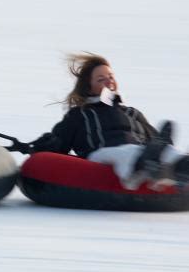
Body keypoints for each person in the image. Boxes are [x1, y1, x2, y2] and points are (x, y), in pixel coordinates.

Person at [10, 52, 189, 189]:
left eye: (110, 76)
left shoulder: (132, 113)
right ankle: (147, 165)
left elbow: (156, 143)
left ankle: (177, 169)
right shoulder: (80, 115)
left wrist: (164, 149)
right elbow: (59, 145)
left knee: (165, 150)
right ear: (89, 87)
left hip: (142, 151)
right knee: (128, 152)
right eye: (101, 79)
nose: (108, 82)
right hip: (101, 155)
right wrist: (39, 147)